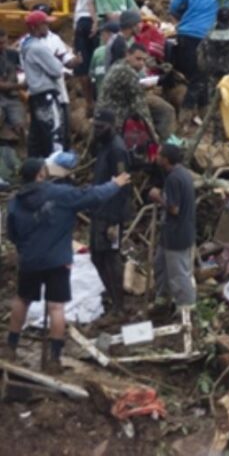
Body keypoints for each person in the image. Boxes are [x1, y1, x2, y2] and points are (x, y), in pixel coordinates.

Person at [6, 157, 128, 371]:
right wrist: (115, 184)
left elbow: (12, 233)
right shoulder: (59, 194)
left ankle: (10, 347)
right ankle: (54, 358)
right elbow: (92, 196)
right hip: (57, 261)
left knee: (22, 300)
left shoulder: (15, 201)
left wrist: (25, 249)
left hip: (30, 260)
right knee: (56, 307)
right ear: (41, 174)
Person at [88, 109, 132, 316]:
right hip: (99, 209)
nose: (97, 131)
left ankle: (119, 305)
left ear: (112, 126)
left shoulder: (117, 150)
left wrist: (115, 221)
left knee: (110, 256)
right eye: (95, 126)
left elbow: (124, 185)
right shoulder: (103, 145)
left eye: (101, 127)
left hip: (111, 213)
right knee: (97, 255)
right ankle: (111, 292)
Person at [170, 0, 222, 108]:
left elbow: (173, 8)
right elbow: (227, 10)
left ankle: (194, 112)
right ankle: (193, 114)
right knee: (202, 77)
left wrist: (182, 22)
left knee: (194, 76)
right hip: (208, 36)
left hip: (185, 35)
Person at [148, 144, 196, 309]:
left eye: (159, 155)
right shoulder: (182, 174)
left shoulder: (174, 179)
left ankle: (186, 308)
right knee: (160, 265)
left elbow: (174, 209)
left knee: (179, 274)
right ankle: (162, 298)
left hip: (177, 235)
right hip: (170, 233)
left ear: (166, 159)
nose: (156, 157)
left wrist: (158, 197)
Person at [99, 43, 170, 142]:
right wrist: (154, 137)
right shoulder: (127, 72)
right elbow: (141, 108)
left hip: (103, 114)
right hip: (115, 120)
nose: (141, 63)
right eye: (138, 59)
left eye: (144, 60)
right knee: (166, 110)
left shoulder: (119, 64)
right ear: (128, 55)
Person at [21, 10, 69, 157]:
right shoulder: (38, 47)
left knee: (36, 136)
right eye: (44, 24)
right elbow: (56, 70)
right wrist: (57, 60)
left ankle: (34, 169)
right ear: (35, 27)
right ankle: (56, 170)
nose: (48, 27)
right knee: (54, 132)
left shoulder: (26, 45)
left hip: (35, 95)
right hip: (46, 95)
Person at [71, 0, 104, 111]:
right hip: (100, 20)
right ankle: (102, 100)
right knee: (100, 61)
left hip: (82, 19)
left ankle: (89, 102)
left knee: (82, 63)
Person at [0, 29, 24, 144]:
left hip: (12, 98)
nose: (3, 46)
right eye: (0, 43)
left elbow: (24, 69)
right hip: (4, 95)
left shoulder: (13, 54)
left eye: (5, 42)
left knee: (19, 127)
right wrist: (20, 86)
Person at [89, 21, 119, 100]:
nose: (101, 37)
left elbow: (92, 76)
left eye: (103, 34)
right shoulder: (97, 52)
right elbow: (92, 75)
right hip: (102, 98)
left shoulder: (123, 51)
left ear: (110, 34)